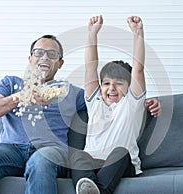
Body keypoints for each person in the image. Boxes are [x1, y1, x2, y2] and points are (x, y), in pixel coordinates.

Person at [0, 33, 160, 193]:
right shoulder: (10, 83)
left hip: (50, 150)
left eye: (52, 54)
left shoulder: (72, 92)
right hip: (10, 149)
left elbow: (109, 100)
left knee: (41, 161)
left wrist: (146, 104)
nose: (45, 57)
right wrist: (21, 97)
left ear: (60, 63)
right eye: (39, 53)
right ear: (30, 58)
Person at [70, 15, 150, 194]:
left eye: (119, 83)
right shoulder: (95, 102)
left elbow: (138, 69)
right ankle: (91, 189)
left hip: (120, 164)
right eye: (106, 83)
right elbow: (90, 67)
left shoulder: (131, 104)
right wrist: (92, 34)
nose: (111, 88)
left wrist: (138, 34)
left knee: (120, 151)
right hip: (91, 167)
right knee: (78, 155)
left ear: (129, 88)